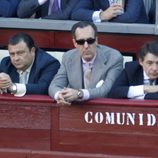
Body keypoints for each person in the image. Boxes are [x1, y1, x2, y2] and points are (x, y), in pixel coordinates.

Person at [48, 21, 123, 105]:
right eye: (81, 42)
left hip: (103, 111)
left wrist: (79, 94)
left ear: (96, 40)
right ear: (74, 43)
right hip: (75, 111)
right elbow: (54, 86)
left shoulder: (114, 58)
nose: (86, 46)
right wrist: (59, 95)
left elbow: (106, 89)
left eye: (90, 41)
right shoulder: (68, 57)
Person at [0, 32, 60, 97]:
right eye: (12, 54)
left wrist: (13, 87)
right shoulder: (6, 63)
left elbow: (44, 88)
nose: (16, 58)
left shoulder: (49, 63)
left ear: (32, 51)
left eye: (20, 53)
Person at [71, 0, 148, 23]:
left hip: (136, 38)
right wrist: (101, 15)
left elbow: (130, 17)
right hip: (105, 38)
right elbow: (76, 13)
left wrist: (106, 18)